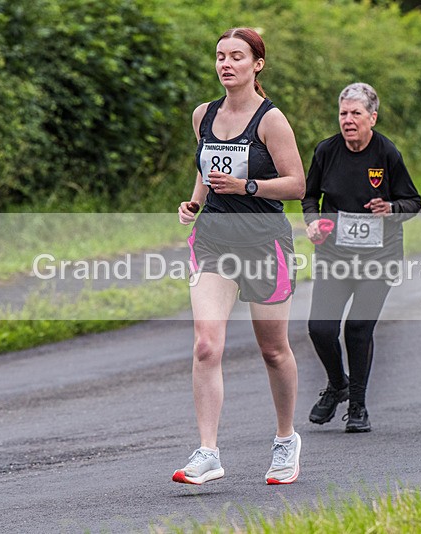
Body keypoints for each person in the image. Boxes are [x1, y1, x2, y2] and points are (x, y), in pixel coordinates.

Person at [173, 28, 305, 485]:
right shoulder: (202, 115)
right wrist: (194, 202)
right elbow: (207, 171)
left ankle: (286, 438)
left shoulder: (270, 120)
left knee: (273, 350)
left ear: (257, 65)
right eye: (220, 56)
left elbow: (296, 185)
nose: (226, 64)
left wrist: (249, 187)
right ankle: (208, 451)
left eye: (236, 57)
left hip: (264, 242)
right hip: (213, 240)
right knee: (206, 345)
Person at [301, 83, 421, 433]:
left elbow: (413, 201)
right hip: (335, 255)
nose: (348, 120)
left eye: (356, 113)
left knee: (357, 328)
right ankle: (337, 384)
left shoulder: (387, 154)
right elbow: (309, 198)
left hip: (378, 258)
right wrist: (312, 223)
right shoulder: (326, 151)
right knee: (320, 329)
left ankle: (358, 405)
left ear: (372, 117)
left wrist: (392, 208)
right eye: (343, 113)